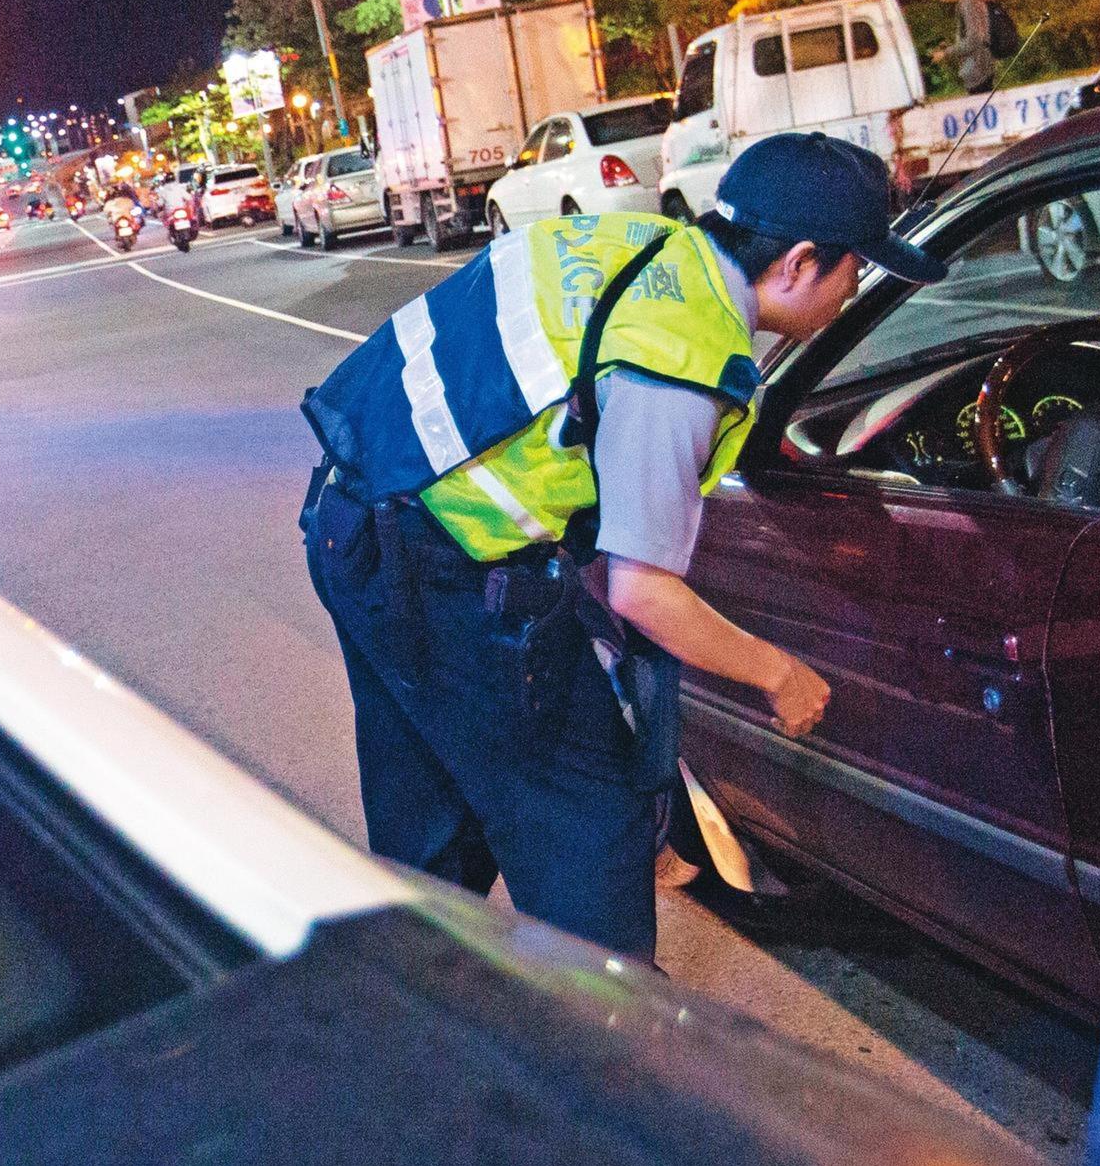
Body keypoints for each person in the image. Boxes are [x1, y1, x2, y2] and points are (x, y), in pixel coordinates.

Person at [298, 132, 947, 960]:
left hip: (351, 520)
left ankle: (406, 1000)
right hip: (436, 567)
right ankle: (608, 1029)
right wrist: (778, 673)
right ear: (798, 262)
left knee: (434, 823)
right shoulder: (683, 356)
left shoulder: (640, 243)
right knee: (588, 829)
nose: (855, 291)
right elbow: (643, 592)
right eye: (855, 268)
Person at [929, 0, 998, 94]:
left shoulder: (968, 2)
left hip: (978, 70)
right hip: (982, 66)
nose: (942, 0)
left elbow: (974, 40)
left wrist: (945, 53)